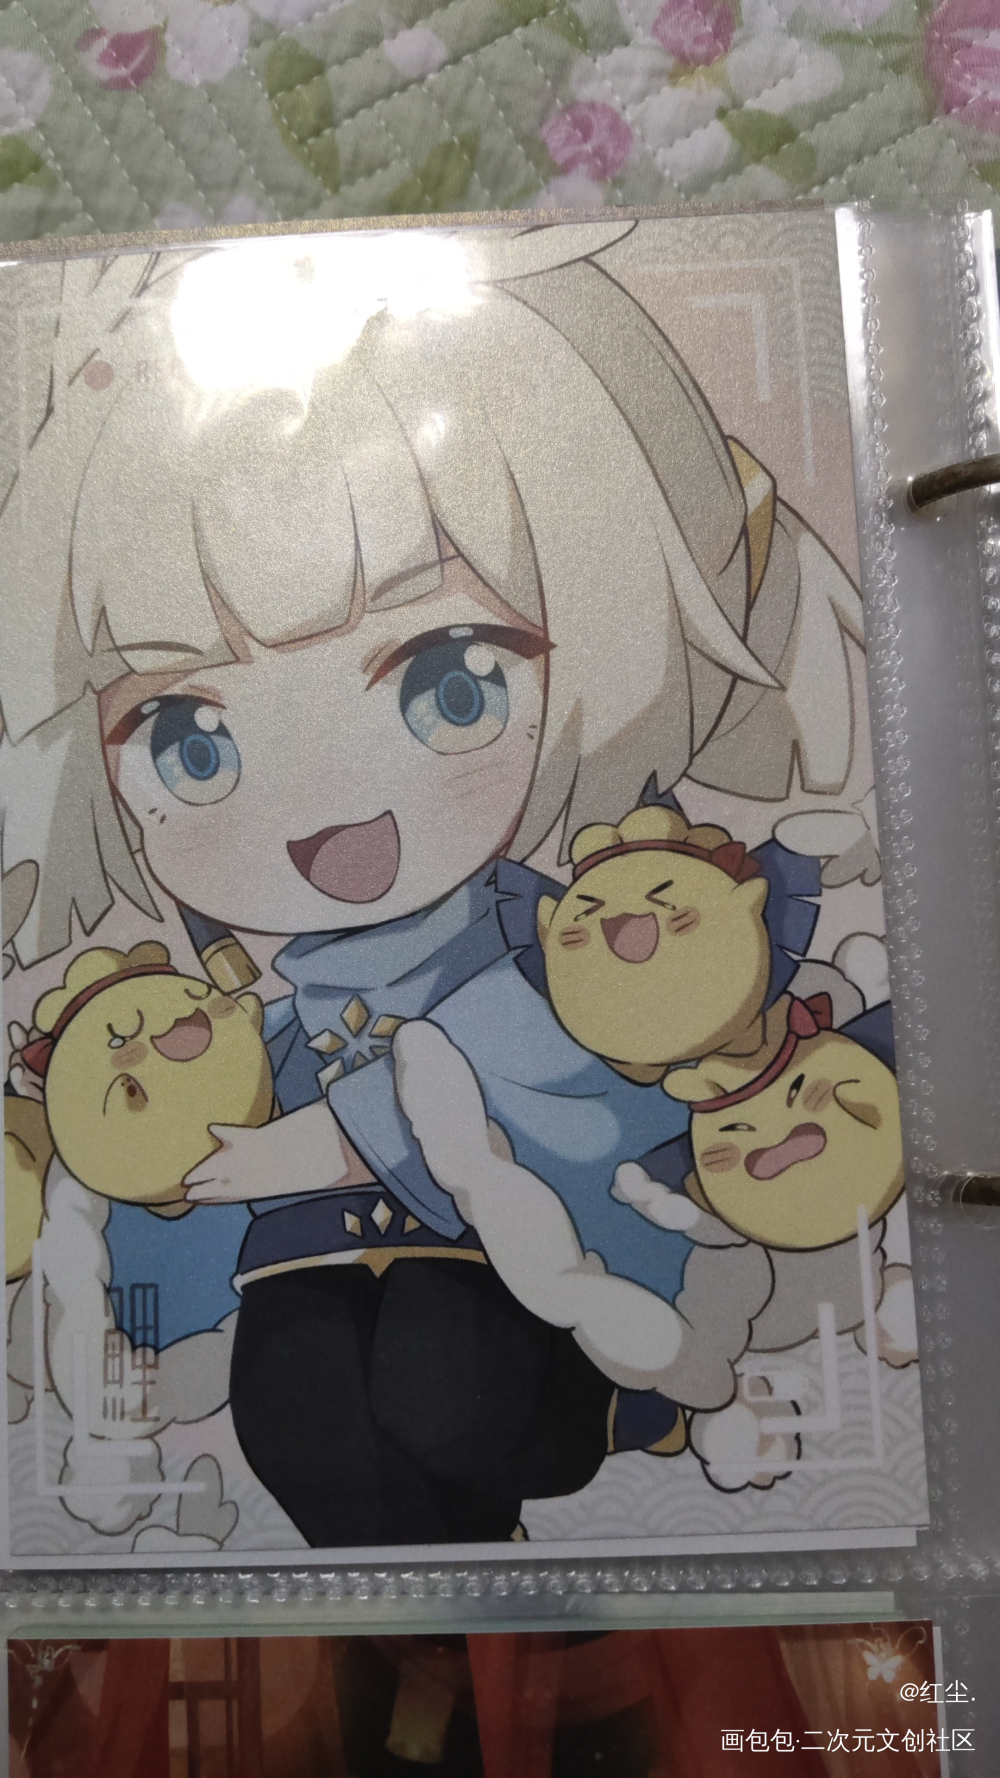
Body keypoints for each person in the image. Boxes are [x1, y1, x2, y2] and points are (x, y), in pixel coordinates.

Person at [0, 222, 863, 1546]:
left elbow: (542, 1074)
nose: (327, 814)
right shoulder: (251, 997)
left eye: (452, 681)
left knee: (449, 1384)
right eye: (192, 738)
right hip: (303, 1254)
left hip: (508, 1251)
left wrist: (313, 1144)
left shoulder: (544, 937)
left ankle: (597, 1443)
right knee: (299, 1414)